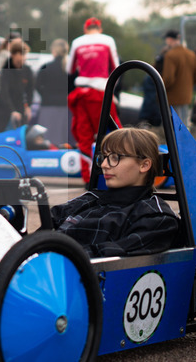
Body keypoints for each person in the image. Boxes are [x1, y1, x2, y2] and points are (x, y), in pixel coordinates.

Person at [50, 127, 179, 258]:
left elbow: (109, 256)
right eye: (104, 157)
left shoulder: (155, 217)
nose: (104, 165)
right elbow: (46, 225)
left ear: (144, 165)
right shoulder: (90, 199)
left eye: (114, 157)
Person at [67, 17, 120, 155]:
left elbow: (69, 69)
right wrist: (112, 91)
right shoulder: (108, 40)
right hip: (101, 93)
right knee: (112, 133)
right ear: (100, 29)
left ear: (85, 29)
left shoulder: (77, 42)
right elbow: (117, 68)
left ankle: (87, 174)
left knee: (84, 136)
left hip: (81, 93)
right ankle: (117, 167)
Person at [160, 29, 196, 126]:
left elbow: (169, 78)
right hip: (187, 97)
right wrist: (187, 85)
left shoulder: (170, 55)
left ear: (170, 40)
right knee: (183, 127)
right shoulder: (191, 54)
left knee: (172, 130)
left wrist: (159, 88)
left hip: (172, 98)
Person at [34, 38, 71, 147]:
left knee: (47, 139)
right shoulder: (69, 69)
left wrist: (45, 96)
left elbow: (37, 85)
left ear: (53, 51)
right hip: (65, 107)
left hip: (48, 106)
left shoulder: (46, 67)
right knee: (63, 139)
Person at [0, 39, 34, 132]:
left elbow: (30, 90)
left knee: (22, 131)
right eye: (21, 54)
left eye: (25, 55)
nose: (24, 57)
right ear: (13, 55)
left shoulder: (27, 70)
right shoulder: (6, 69)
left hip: (19, 104)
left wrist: (28, 107)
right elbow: (4, 92)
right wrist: (12, 111)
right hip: (5, 107)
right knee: (1, 130)